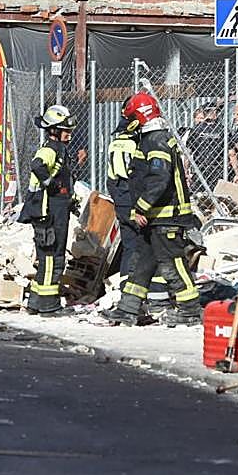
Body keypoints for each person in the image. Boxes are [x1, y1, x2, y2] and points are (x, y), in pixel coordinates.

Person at [101, 93, 202, 327]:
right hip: (155, 217)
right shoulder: (150, 140)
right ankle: (128, 309)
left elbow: (159, 178)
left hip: (166, 215)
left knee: (172, 261)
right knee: (142, 262)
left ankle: (190, 309)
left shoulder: (156, 140)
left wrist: (141, 208)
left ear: (138, 118)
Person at [17, 105, 76, 316]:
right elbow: (37, 165)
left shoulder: (57, 148)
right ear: (53, 130)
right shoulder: (51, 149)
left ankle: (35, 302)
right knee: (52, 257)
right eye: (65, 130)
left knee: (46, 257)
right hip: (48, 211)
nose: (69, 134)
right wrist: (51, 184)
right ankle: (49, 305)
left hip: (50, 209)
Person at [106, 112, 147, 289]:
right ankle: (135, 285)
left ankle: (124, 284)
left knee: (128, 243)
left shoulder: (113, 145)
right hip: (132, 196)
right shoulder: (134, 146)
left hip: (120, 197)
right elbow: (137, 175)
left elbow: (111, 178)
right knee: (140, 243)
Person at [186, 102, 225, 190]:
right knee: (216, 193)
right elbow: (231, 153)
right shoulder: (222, 129)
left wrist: (186, 170)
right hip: (217, 167)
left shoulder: (196, 129)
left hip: (200, 166)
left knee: (201, 194)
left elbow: (188, 152)